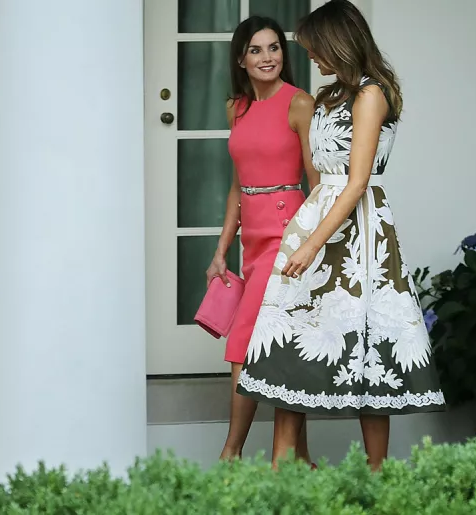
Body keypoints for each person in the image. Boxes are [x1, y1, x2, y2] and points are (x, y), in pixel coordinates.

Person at [235, 0, 446, 471]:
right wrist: (302, 229)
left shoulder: (372, 95)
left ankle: (375, 475)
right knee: (290, 335)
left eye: (315, 48)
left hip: (357, 231)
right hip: (317, 215)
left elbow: (357, 181)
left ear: (338, 42)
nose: (310, 57)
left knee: (368, 344)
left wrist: (312, 244)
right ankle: (284, 470)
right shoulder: (330, 95)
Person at [205, 15, 318, 463]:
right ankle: (300, 460)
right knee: (281, 342)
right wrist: (220, 250)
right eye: (256, 50)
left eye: (274, 48)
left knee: (243, 342)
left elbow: (316, 184)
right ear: (241, 59)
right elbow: (238, 185)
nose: (267, 57)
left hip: (287, 234)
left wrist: (310, 242)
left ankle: (230, 453)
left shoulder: (300, 103)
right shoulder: (237, 108)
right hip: (251, 238)